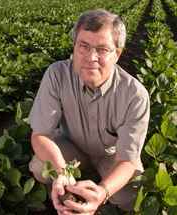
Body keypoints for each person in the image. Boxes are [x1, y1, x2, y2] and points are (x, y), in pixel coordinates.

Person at [27, 8, 150, 215]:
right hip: (71, 143)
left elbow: (126, 160)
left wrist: (102, 192)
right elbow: (40, 135)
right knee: (40, 167)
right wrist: (60, 171)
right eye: (83, 46)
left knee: (131, 198)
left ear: (117, 53)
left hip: (112, 154)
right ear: (75, 47)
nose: (91, 57)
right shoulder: (57, 74)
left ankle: (95, 192)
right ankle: (57, 191)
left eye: (102, 49)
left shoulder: (135, 95)